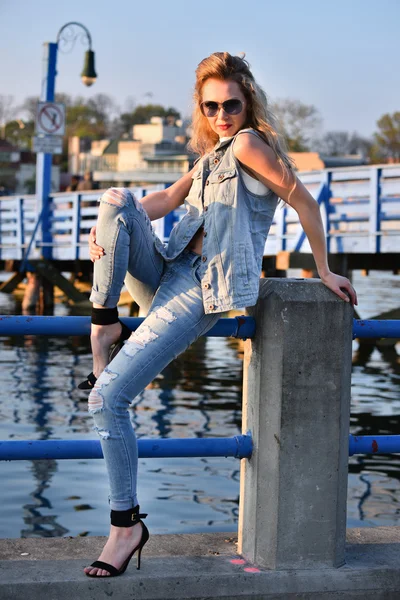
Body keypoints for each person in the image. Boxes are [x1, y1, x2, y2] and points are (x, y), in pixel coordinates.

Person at [82, 52, 357, 578]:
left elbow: (305, 203)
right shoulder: (210, 157)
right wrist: (111, 226)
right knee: (114, 202)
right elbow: (163, 199)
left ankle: (126, 527)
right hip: (167, 269)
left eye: (231, 103)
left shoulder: (251, 144)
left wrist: (323, 270)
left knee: (107, 397)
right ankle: (105, 326)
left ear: (247, 100)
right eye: (211, 106)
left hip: (202, 287)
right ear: (202, 108)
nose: (222, 114)